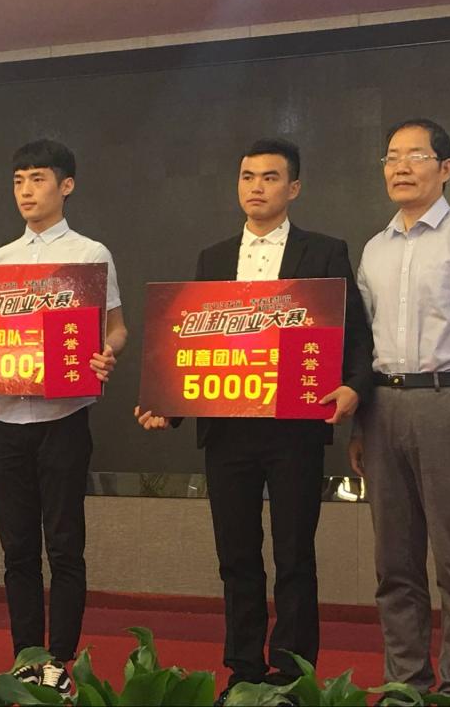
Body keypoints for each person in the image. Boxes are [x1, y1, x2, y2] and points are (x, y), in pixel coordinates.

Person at [136, 138, 373, 705]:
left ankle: (291, 675)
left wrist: (354, 388)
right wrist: (167, 406)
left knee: (294, 555)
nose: (256, 187)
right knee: (236, 556)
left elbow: (357, 340)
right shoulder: (213, 258)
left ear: (294, 188)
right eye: (247, 177)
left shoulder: (326, 253)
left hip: (295, 429)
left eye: (269, 177)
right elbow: (194, 348)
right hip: (228, 430)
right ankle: (242, 671)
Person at [0, 139, 127, 697]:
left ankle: (61, 660)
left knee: (64, 544)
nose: (26, 191)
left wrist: (106, 353)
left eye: (37, 179)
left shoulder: (90, 253)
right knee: (16, 549)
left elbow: (116, 327)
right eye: (18, 181)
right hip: (6, 420)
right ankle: (26, 657)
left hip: (65, 418)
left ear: (66, 185)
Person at [351, 119, 450, 703]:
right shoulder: (374, 248)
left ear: (446, 169)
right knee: (394, 565)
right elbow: (362, 345)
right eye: (392, 156)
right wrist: (362, 424)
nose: (400, 166)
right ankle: (406, 686)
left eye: (415, 156)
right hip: (383, 407)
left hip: (449, 405)